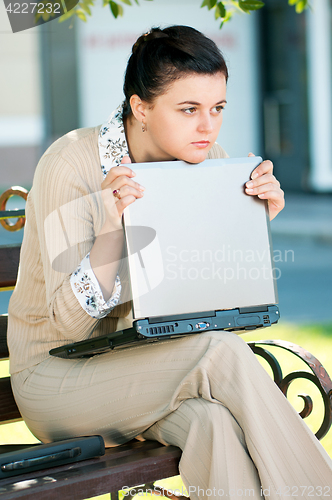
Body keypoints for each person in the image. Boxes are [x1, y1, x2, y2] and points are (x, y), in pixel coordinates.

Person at [8, 25, 332, 499]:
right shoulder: (71, 166)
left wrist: (247, 225)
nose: (208, 127)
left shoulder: (207, 160)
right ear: (140, 107)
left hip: (144, 366)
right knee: (218, 353)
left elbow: (213, 303)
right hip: (56, 378)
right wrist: (109, 231)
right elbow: (70, 328)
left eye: (217, 108)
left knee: (213, 422)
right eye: (189, 110)